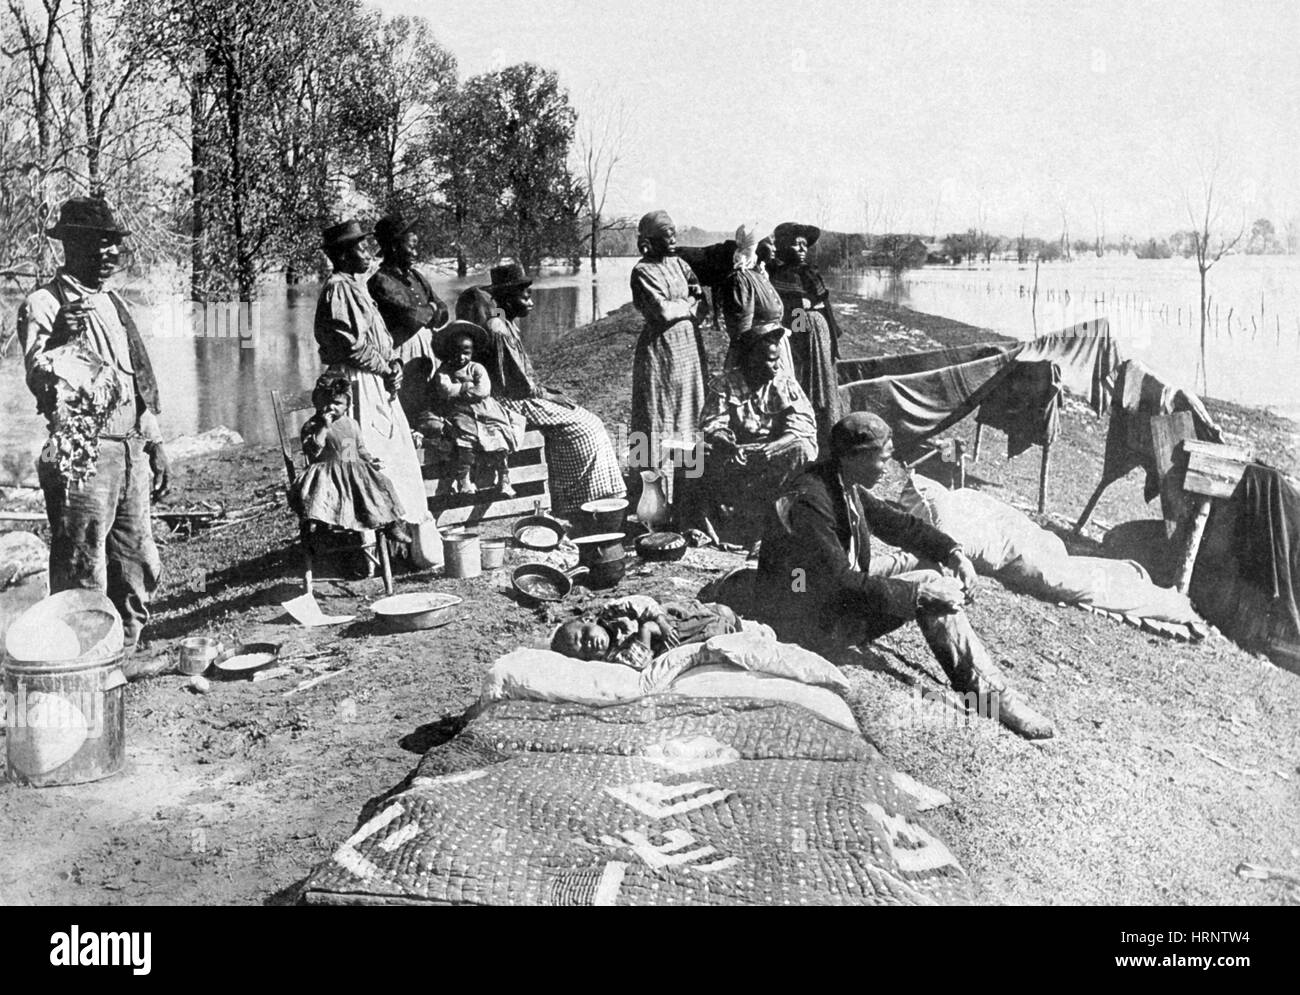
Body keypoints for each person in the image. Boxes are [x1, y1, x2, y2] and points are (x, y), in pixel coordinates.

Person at [753, 411, 1055, 739]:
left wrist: (953, 552)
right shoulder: (812, 501)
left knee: (926, 562)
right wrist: (919, 596)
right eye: (882, 459)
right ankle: (995, 699)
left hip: (831, 592)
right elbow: (836, 582)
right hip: (811, 623)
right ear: (855, 456)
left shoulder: (839, 479)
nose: (887, 468)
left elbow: (897, 523)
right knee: (927, 583)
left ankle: (975, 667)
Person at [16, 197, 168, 651]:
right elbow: (38, 379)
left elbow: (136, 376)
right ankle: (81, 657)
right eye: (99, 245)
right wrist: (62, 335)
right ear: (71, 246)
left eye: (114, 245)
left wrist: (155, 442)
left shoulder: (113, 303)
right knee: (82, 563)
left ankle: (129, 647)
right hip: (82, 448)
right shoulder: (44, 303)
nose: (110, 254)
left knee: (137, 559)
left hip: (128, 447)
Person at [467, 262, 626, 517]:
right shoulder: (498, 328)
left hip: (520, 395)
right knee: (584, 428)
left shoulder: (506, 323)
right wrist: (550, 395)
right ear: (507, 298)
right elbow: (518, 386)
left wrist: (550, 393)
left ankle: (599, 497)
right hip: (509, 402)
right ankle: (576, 504)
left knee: (590, 421)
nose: (531, 301)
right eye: (525, 296)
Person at [313, 219, 429, 528]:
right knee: (369, 454)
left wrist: (393, 363)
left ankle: (400, 529)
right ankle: (372, 534)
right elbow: (350, 346)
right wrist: (383, 366)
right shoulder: (338, 288)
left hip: (375, 379)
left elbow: (380, 337)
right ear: (342, 256)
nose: (369, 255)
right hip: (356, 382)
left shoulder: (356, 287)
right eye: (362, 249)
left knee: (394, 452)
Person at [693, 328, 818, 546]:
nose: (777, 366)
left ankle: (778, 520)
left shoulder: (784, 383)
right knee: (700, 453)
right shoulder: (726, 384)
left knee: (802, 449)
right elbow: (712, 424)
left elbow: (802, 423)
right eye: (771, 361)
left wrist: (776, 445)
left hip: (774, 450)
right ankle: (720, 523)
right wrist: (727, 443)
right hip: (737, 452)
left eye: (778, 360)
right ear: (752, 360)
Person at [629, 209, 709, 474]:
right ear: (650, 239)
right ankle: (649, 494)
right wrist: (687, 304)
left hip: (688, 351)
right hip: (660, 353)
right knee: (656, 414)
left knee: (691, 411)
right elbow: (661, 312)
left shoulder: (679, 264)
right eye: (667, 234)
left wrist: (685, 305)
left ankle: (690, 486)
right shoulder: (642, 271)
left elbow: (702, 303)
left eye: (674, 232)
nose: (674, 238)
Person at [292, 375, 406, 537]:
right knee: (323, 495)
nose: (331, 407)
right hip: (326, 472)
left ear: (347, 405)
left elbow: (357, 449)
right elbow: (313, 452)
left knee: (380, 485)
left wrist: (369, 459)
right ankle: (323, 528)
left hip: (351, 470)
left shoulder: (351, 424)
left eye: (337, 403)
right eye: (326, 401)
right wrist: (324, 427)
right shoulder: (313, 425)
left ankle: (390, 524)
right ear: (318, 401)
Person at [367, 213, 450, 427]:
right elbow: (410, 317)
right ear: (394, 247)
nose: (415, 252)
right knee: (409, 404)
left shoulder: (417, 276)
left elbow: (443, 310)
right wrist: (430, 310)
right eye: (411, 246)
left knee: (432, 394)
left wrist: (431, 310)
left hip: (427, 347)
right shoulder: (380, 281)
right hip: (403, 351)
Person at [766, 221, 845, 441]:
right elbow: (796, 318)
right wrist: (802, 337)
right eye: (796, 244)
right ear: (782, 247)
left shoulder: (809, 273)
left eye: (804, 244)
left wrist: (831, 340)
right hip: (805, 346)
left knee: (827, 387)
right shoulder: (781, 276)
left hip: (821, 343)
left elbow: (823, 305)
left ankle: (827, 430)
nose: (802, 249)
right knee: (808, 385)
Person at [550, 594, 758, 671]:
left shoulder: (610, 612)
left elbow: (642, 602)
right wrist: (646, 631)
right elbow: (637, 662)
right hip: (672, 640)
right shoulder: (613, 656)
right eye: (585, 652)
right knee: (719, 630)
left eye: (585, 637)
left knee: (723, 611)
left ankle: (733, 621)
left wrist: (659, 621)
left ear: (587, 620)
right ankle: (735, 630)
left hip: (669, 619)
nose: (590, 645)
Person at [430, 321, 517, 496]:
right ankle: (464, 480)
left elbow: (483, 390)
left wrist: (460, 389)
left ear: (472, 352)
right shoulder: (444, 371)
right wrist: (467, 386)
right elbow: (445, 390)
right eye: (456, 352)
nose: (461, 357)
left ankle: (504, 479)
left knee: (498, 437)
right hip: (460, 412)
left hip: (486, 410)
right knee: (465, 440)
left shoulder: (477, 368)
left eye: (465, 352)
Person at [718, 223, 795, 376]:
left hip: (773, 352)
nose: (774, 249)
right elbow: (742, 332)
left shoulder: (760, 276)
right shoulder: (741, 280)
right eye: (770, 244)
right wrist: (758, 362)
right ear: (756, 246)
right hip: (759, 358)